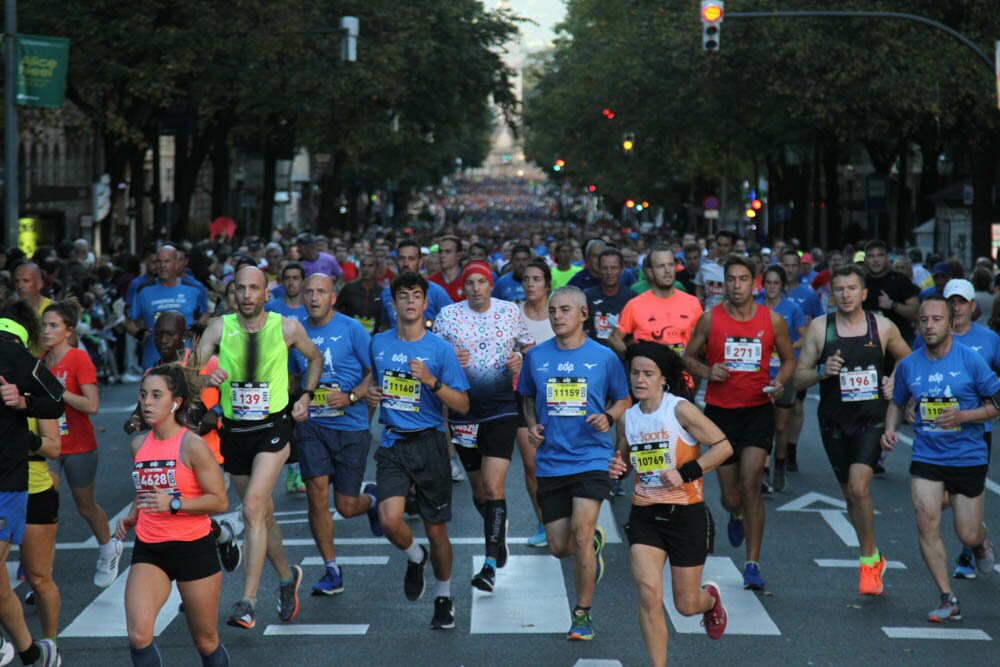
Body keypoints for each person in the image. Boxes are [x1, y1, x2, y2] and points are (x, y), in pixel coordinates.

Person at [196, 266, 323, 629]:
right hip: (234, 431)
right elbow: (189, 373)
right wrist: (206, 377)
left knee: (251, 508)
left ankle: (247, 602)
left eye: (255, 288)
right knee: (262, 515)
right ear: (233, 292)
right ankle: (287, 577)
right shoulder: (220, 328)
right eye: (242, 288)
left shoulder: (286, 327)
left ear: (267, 293)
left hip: (274, 427)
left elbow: (315, 357)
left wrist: (307, 397)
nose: (248, 294)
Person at [517, 285, 631, 640]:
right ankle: (593, 544)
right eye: (552, 311)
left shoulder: (604, 357)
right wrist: (533, 425)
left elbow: (624, 399)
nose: (557, 317)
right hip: (551, 461)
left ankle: (582, 614)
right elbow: (526, 398)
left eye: (565, 310)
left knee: (580, 535)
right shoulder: (536, 357)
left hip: (591, 457)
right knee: (559, 547)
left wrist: (608, 418)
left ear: (584, 315)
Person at [609, 342, 732, 666]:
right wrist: (617, 469)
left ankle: (710, 602)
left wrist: (686, 472)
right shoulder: (628, 419)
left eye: (648, 374)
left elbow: (723, 447)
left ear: (663, 379)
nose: (640, 379)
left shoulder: (679, 410)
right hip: (645, 515)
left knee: (686, 604)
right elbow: (625, 461)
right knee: (649, 595)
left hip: (686, 514)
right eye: (635, 373)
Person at [882, 297, 1000, 623]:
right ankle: (948, 597)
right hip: (927, 454)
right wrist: (890, 429)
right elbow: (898, 399)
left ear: (950, 324)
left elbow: (997, 404)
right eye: (924, 320)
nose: (929, 326)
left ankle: (979, 540)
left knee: (967, 533)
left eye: (937, 319)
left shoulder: (971, 361)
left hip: (967, 456)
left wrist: (964, 414)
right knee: (925, 520)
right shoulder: (910, 364)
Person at [795, 265, 910, 595]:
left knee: (860, 488)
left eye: (851, 289)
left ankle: (868, 559)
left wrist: (893, 379)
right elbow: (798, 377)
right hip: (833, 420)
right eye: (839, 289)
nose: (845, 295)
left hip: (871, 418)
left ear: (863, 293)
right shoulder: (820, 329)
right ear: (831, 295)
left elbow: (908, 358)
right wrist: (821, 370)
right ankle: (873, 553)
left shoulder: (882, 327)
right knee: (850, 494)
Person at [683, 256, 794, 591]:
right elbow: (687, 357)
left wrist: (780, 383)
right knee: (731, 498)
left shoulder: (771, 320)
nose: (736, 285)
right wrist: (706, 371)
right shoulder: (709, 320)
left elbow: (788, 358)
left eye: (743, 279)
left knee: (751, 488)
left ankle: (752, 563)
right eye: (730, 279)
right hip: (720, 413)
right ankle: (734, 514)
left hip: (758, 410)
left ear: (754, 283)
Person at [367, 272, 470, 630]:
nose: (410, 301)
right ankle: (415, 556)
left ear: (426, 304)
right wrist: (368, 395)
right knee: (389, 518)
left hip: (429, 443)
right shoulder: (378, 343)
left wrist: (431, 381)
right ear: (392, 304)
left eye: (416, 296)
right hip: (394, 441)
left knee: (437, 529)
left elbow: (462, 404)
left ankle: (444, 595)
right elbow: (372, 383)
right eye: (403, 296)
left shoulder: (439, 349)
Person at [116, 365, 231, 667]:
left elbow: (219, 501)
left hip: (193, 548)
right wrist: (132, 515)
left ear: (175, 403)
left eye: (156, 395)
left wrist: (175, 505)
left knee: (206, 641)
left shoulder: (192, 446)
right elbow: (147, 488)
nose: (148, 402)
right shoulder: (138, 444)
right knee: (139, 635)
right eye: (143, 395)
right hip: (150, 549)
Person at [433, 262, 534, 593]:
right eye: (470, 283)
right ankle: (498, 533)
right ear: (464, 288)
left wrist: (520, 361)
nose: (476, 288)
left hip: (502, 410)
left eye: (482, 282)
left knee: (493, 487)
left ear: (491, 285)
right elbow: (434, 356)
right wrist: (450, 358)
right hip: (464, 414)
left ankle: (489, 563)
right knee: (481, 493)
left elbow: (528, 348)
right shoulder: (449, 316)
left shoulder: (509, 311)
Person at [122, 311, 241, 574]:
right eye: (158, 333)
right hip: (171, 457)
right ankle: (219, 537)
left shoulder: (205, 363)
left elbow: (235, 393)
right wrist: (134, 419)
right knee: (182, 513)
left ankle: (199, 572)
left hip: (207, 451)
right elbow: (145, 408)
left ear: (184, 336)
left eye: (170, 334)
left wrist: (217, 412)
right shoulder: (152, 372)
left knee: (193, 512)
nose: (163, 339)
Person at [291, 274, 381, 596]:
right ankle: (331, 568)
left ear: (333, 298)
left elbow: (375, 371)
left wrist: (352, 397)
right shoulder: (294, 331)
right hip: (312, 425)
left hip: (350, 425)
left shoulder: (352, 329)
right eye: (309, 292)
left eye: (321, 292)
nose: (314, 298)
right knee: (316, 493)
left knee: (344, 506)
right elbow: (292, 376)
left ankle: (371, 500)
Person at [912, 279, 1000, 579]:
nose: (958, 306)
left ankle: (973, 540)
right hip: (931, 440)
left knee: (966, 524)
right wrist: (910, 403)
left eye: (963, 301)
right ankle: (949, 587)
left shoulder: (987, 341)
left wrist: (966, 415)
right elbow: (915, 373)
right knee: (929, 510)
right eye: (953, 301)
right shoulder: (927, 338)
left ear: (971, 306)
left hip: (975, 434)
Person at [0, 299, 65, 666]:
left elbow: (56, 406)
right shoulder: (23, 358)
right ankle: (32, 653)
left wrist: (23, 401)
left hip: (25, 485)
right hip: (14, 483)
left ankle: (49, 642)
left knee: (39, 576)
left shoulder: (25, 366)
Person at [41, 301, 121, 588]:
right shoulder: (40, 360)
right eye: (44, 325)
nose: (47, 331)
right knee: (45, 506)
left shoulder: (78, 360)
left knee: (85, 507)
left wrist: (59, 392)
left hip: (79, 445)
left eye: (54, 326)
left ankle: (109, 548)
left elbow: (93, 405)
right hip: (48, 444)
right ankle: (42, 575)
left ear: (68, 331)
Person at [756, 265, 807, 492]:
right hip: (760, 374)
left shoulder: (792, 309)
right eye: (768, 283)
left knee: (780, 426)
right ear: (762, 284)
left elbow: (805, 338)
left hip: (785, 373)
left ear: (782, 285)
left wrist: (784, 346)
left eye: (776, 283)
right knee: (764, 423)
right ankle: (764, 472)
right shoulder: (755, 306)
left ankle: (780, 464)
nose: (772, 287)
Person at [518, 259, 555, 546]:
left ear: (547, 284)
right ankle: (543, 522)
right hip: (524, 397)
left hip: (560, 398)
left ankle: (566, 516)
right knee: (532, 465)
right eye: (526, 279)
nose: (530, 284)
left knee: (561, 462)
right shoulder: (513, 314)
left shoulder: (559, 313)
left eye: (536, 279)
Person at [609, 245, 702, 359]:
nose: (667, 270)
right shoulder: (635, 305)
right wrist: (634, 358)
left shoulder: (693, 303)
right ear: (650, 271)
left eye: (670, 265)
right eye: (661, 266)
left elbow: (703, 342)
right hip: (648, 375)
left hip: (683, 375)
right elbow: (614, 338)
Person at [778, 249, 824, 473]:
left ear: (800, 268)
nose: (789, 269)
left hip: (798, 360)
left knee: (795, 406)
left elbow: (819, 326)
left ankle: (791, 448)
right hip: (772, 364)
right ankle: (777, 451)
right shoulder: (771, 291)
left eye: (793, 265)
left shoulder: (809, 295)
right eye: (785, 265)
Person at [128, 245, 209, 369]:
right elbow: (128, 319)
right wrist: (138, 333)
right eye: (158, 261)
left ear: (176, 264)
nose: (162, 266)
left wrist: (197, 327)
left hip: (186, 363)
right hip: (153, 362)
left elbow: (206, 313)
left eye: (167, 261)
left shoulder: (193, 289)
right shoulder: (143, 290)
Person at [20, 417, 61, 640]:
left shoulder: (36, 390)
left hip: (33, 491)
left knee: (38, 578)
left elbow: (54, 448)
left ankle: (49, 646)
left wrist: (20, 435)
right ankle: (20, 644)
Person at [861, 240, 919, 344]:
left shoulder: (900, 280)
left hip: (898, 341)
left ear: (887, 258)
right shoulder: (860, 282)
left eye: (880, 255)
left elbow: (916, 313)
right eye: (871, 256)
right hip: (867, 341)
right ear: (865, 260)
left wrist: (893, 305)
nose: (875, 260)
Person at [583, 248, 635, 347]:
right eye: (605, 268)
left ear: (622, 269)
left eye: (614, 267)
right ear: (599, 269)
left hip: (624, 357)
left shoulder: (633, 300)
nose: (609, 272)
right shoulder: (586, 298)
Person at [336, 254, 384, 334]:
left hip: (374, 338)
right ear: (360, 268)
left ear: (377, 268)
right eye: (363, 266)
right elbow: (335, 309)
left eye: (370, 266)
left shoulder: (382, 292)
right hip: (349, 336)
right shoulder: (349, 288)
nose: (366, 269)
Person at [694, 230, 735, 310]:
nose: (722, 249)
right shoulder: (705, 268)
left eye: (726, 245)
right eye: (719, 245)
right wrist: (700, 300)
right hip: (709, 317)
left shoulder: (739, 270)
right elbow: (699, 290)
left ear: (732, 247)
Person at [427, 236, 466, 302]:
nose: (442, 255)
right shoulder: (429, 283)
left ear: (459, 255)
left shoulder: (468, 281)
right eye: (440, 251)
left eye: (447, 251)